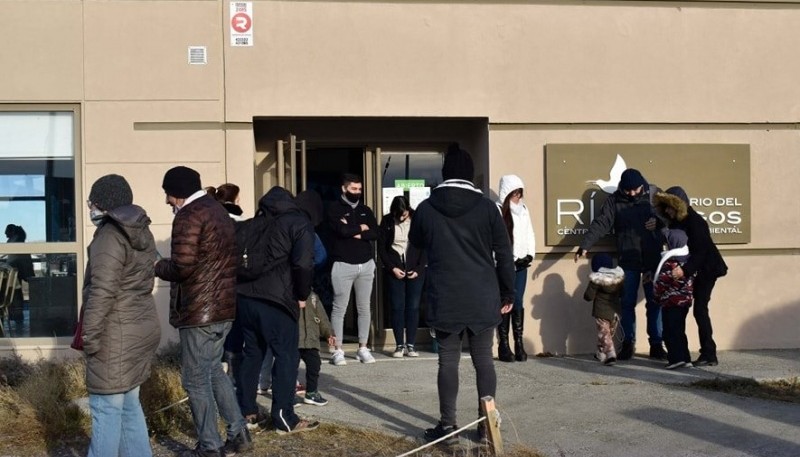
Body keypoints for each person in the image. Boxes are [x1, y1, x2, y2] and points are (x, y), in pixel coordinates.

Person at [409, 146, 515, 444]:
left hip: (445, 295)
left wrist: (417, 275)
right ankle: (486, 426)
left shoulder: (427, 209)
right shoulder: (487, 208)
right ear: (469, 175)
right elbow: (504, 255)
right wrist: (508, 292)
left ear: (445, 175)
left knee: (448, 362)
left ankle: (448, 427)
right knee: (483, 360)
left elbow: (413, 252)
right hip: (483, 293)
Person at [154, 166, 251, 457]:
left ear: (178, 192)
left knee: (195, 379)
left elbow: (183, 266)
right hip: (223, 308)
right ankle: (239, 435)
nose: (167, 201)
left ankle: (210, 446)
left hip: (199, 311)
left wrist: (156, 265)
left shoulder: (189, 215)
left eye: (168, 195)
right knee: (214, 373)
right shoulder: (219, 210)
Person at [81, 174, 161, 457]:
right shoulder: (141, 230)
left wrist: (89, 337)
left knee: (106, 410)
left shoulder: (110, 236)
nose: (89, 206)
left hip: (115, 333)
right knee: (128, 406)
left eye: (92, 201)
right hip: (138, 326)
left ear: (103, 203)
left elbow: (102, 292)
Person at [235, 186, 318, 434]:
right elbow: (304, 264)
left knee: (252, 354)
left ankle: (247, 411)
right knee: (287, 356)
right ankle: (284, 416)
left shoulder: (251, 224)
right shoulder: (298, 222)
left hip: (245, 297)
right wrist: (302, 295)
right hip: (277, 300)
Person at [574, 168, 666, 361]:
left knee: (655, 303)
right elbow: (602, 223)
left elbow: (670, 218)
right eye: (627, 190)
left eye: (635, 190)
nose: (631, 193)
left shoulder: (655, 196)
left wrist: (658, 223)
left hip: (652, 259)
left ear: (642, 185)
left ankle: (657, 344)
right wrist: (585, 245)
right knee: (626, 304)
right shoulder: (614, 200)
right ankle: (627, 344)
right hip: (628, 261)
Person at [654, 186, 728, 366]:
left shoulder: (695, 222)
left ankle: (709, 354)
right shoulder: (677, 221)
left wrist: (685, 270)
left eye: (671, 207)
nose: (668, 211)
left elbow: (701, 252)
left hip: (706, 270)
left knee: (700, 309)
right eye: (666, 207)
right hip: (692, 271)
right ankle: (681, 355)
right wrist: (657, 225)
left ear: (679, 205)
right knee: (682, 310)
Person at [326, 173, 379, 365]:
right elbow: (340, 231)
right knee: (340, 307)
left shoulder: (366, 209)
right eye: (353, 189)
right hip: (342, 264)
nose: (357, 192)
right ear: (344, 188)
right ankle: (337, 349)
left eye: (359, 189)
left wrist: (354, 230)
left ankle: (363, 347)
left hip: (366, 264)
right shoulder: (334, 208)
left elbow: (376, 233)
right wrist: (361, 228)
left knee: (364, 308)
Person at [378, 195, 426, 358]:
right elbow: (382, 248)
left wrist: (419, 268)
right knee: (397, 307)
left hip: (415, 269)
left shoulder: (417, 220)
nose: (401, 217)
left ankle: (411, 345)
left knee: (413, 307)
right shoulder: (387, 221)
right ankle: (399, 345)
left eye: (404, 214)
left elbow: (424, 246)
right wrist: (392, 268)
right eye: (398, 215)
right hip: (395, 269)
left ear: (408, 210)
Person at [495, 175, 536, 362]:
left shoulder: (524, 210)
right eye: (514, 193)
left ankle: (518, 342)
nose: (518, 197)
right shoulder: (497, 210)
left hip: (521, 264)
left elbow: (529, 233)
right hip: (504, 265)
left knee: (518, 301)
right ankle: (504, 345)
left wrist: (530, 254)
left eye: (520, 193)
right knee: (505, 302)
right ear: (507, 193)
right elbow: (495, 239)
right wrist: (504, 260)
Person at [653, 229, 695, 370]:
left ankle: (675, 358)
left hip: (671, 302)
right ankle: (686, 358)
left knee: (669, 331)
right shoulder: (688, 260)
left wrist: (656, 296)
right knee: (680, 331)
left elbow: (662, 282)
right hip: (684, 302)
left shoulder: (670, 262)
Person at [582, 253, 624, 366]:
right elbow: (623, 294)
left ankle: (610, 355)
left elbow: (588, 296)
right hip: (615, 312)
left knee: (604, 334)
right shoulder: (618, 279)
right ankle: (600, 353)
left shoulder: (596, 280)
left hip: (601, 311)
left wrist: (589, 294)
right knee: (608, 334)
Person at [298, 290, 336, 406]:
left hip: (311, 339)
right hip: (294, 339)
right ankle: (287, 395)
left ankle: (311, 392)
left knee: (314, 365)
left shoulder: (313, 296)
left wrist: (329, 333)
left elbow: (322, 317)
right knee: (289, 367)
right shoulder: (287, 292)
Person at [4, 224, 34, 337]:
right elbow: (25, 264)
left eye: (7, 233)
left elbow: (20, 261)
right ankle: (17, 319)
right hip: (15, 279)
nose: (5, 235)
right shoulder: (18, 243)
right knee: (16, 297)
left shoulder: (15, 245)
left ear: (12, 233)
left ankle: (17, 318)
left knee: (15, 297)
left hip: (12, 279)